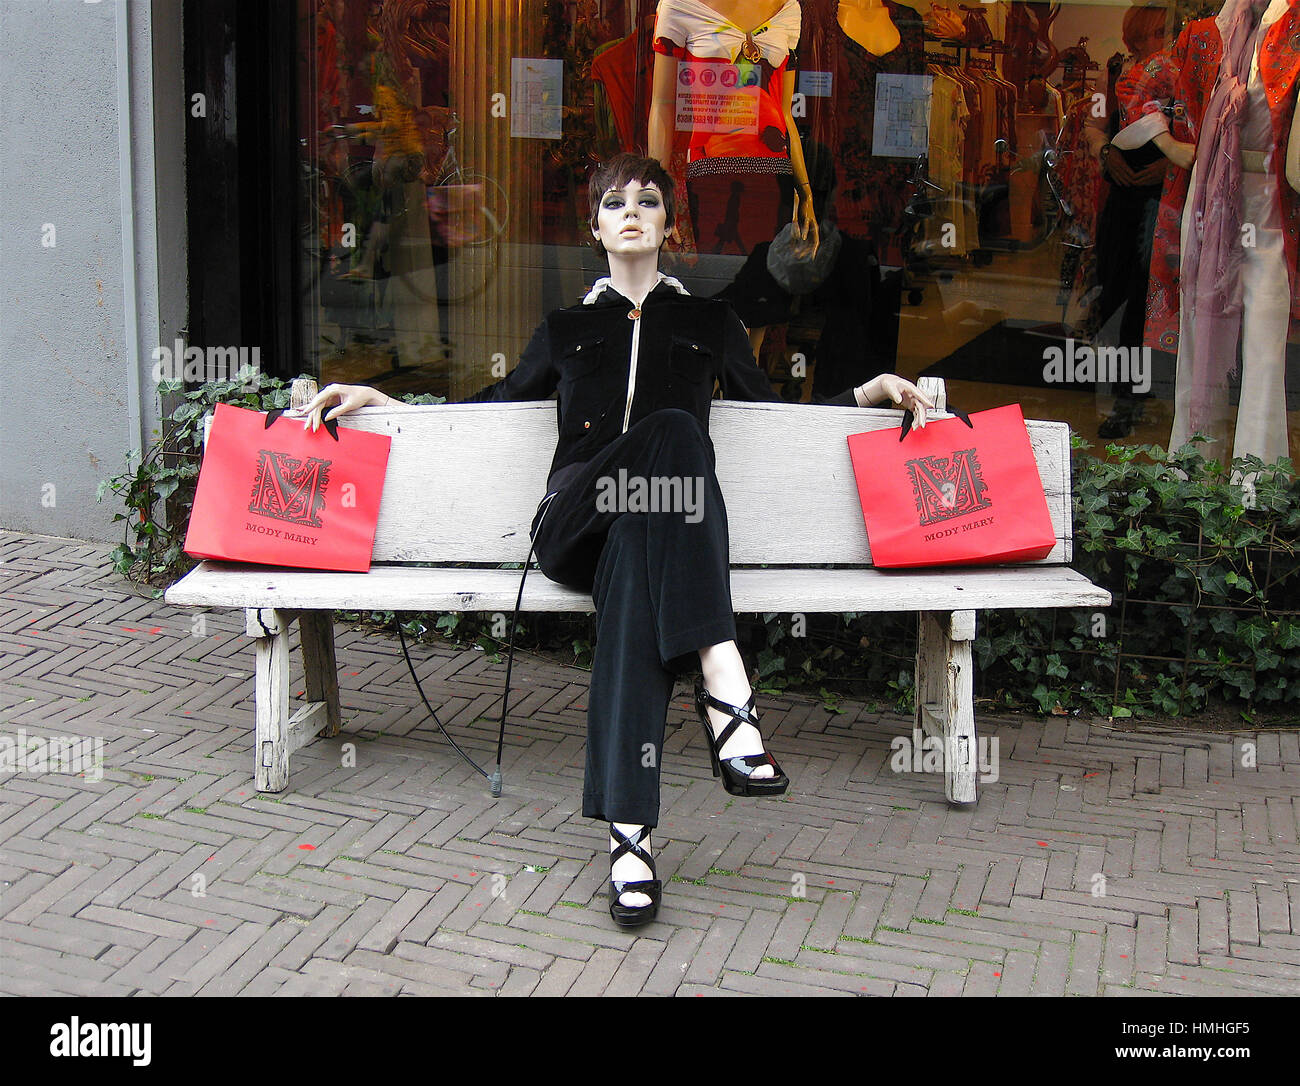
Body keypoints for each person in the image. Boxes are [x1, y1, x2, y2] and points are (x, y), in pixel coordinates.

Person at [293, 153, 934, 929]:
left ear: (670, 224)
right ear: (595, 228)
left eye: (650, 201)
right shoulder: (568, 328)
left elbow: (778, 413)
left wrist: (870, 390)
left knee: (639, 575)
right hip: (574, 522)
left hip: (651, 537)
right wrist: (385, 398)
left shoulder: (709, 323)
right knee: (673, 431)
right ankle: (722, 672)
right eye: (615, 202)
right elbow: (492, 404)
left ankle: (631, 843)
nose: (632, 212)